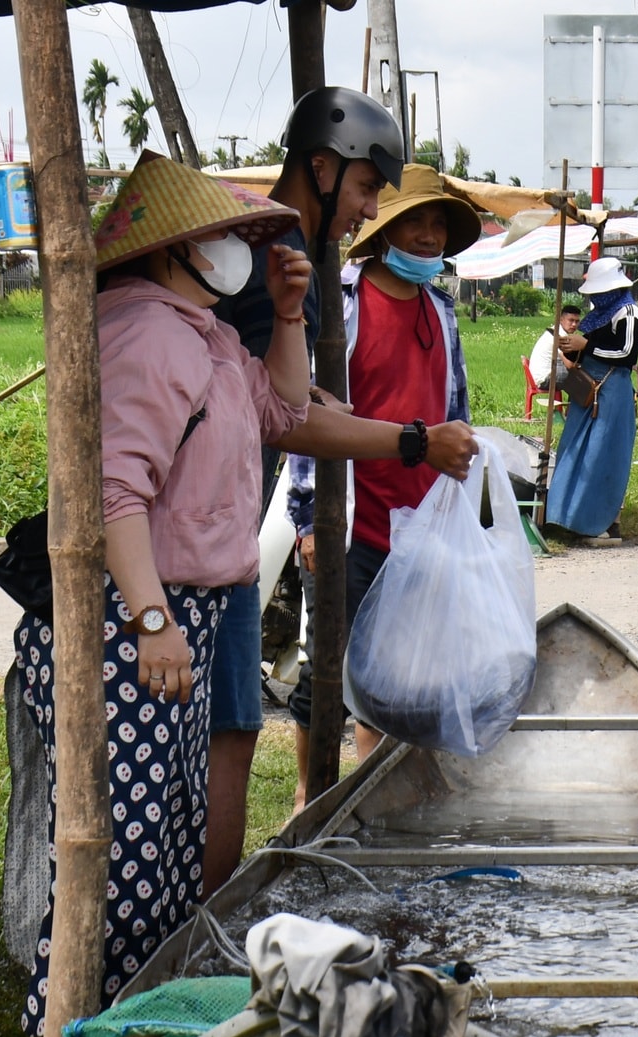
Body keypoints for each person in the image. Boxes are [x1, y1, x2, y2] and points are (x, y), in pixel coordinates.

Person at [14, 152, 472, 1036]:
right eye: (223, 237)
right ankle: (75, 1029)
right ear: (176, 251)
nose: (241, 251)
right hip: (132, 618)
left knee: (167, 838)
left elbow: (283, 409)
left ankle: (129, 1024)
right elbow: (114, 493)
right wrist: (151, 620)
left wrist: (291, 314)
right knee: (131, 849)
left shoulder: (208, 331)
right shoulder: (147, 333)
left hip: (180, 610)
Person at [203, 87, 473, 875]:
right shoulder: (275, 257)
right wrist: (411, 443)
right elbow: (293, 418)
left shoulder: (301, 265)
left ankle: (214, 905)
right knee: (319, 686)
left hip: (249, 531)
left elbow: (290, 399)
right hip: (251, 521)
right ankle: (219, 896)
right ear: (321, 169)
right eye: (363, 190)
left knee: (238, 720)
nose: (368, 208)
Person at [286, 162, 484, 794]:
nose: (428, 237)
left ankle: (376, 804)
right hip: (351, 526)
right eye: (414, 223)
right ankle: (308, 801)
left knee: (399, 678)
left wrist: (461, 508)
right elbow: (303, 412)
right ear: (383, 230)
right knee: (328, 677)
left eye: (437, 227)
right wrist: (306, 518)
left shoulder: (441, 311)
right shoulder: (341, 300)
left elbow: (456, 413)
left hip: (421, 529)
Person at [545, 256, 638, 544]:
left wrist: (586, 344)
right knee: (575, 452)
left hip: (611, 394)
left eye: (600, 293)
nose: (596, 298)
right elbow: (586, 353)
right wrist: (571, 348)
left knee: (603, 455)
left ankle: (605, 524)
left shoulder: (628, 314)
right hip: (588, 393)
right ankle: (570, 516)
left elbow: (626, 355)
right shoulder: (599, 315)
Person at [527, 304, 582, 392]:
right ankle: (577, 405)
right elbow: (569, 364)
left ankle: (574, 404)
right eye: (571, 320)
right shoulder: (559, 336)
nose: (574, 324)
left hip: (540, 376)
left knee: (578, 379)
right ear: (561, 320)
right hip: (544, 379)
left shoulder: (555, 331)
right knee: (582, 380)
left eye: (577, 321)